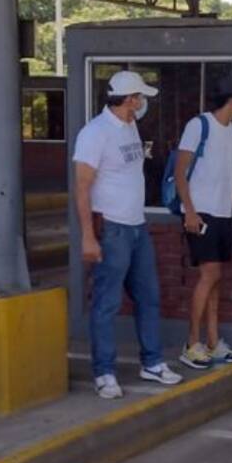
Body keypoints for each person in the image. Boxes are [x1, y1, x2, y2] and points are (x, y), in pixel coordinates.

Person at [74, 71, 183, 399]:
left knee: (148, 297)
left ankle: (152, 362)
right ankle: (104, 372)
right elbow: (82, 187)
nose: (143, 103)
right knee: (107, 302)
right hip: (112, 228)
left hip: (137, 227)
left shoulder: (130, 125)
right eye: (140, 97)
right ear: (128, 98)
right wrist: (88, 236)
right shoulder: (94, 134)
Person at [175, 75, 232, 370]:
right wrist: (190, 211)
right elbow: (180, 171)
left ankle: (212, 342)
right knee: (209, 276)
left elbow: (229, 175)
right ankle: (191, 344)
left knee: (217, 278)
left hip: (223, 213)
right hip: (202, 213)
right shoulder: (199, 125)